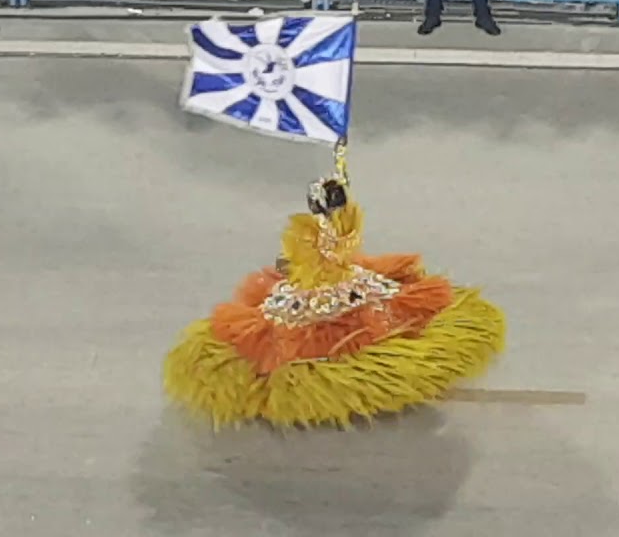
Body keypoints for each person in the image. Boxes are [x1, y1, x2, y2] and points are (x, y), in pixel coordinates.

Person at [163, 144, 506, 428]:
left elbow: (342, 245)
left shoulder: (334, 231)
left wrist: (339, 204)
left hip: (342, 286)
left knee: (370, 307)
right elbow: (321, 257)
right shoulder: (311, 236)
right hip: (320, 294)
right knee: (314, 327)